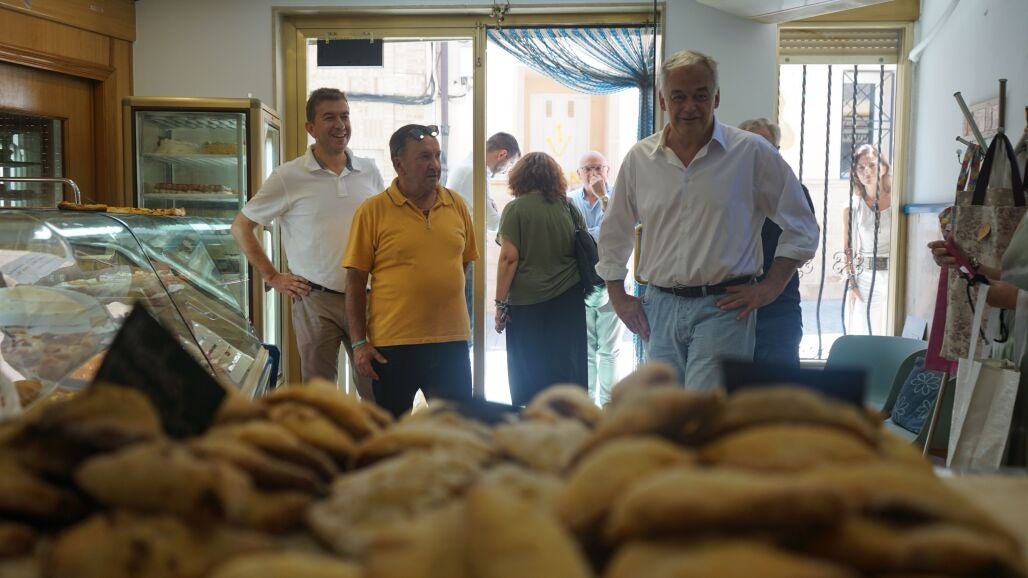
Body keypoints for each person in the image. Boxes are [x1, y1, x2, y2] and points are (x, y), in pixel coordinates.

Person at [596, 50, 819, 390]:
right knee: (668, 410)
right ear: (663, 101)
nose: (690, 107)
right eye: (679, 97)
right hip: (659, 307)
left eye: (700, 96)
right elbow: (615, 231)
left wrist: (772, 286)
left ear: (716, 98)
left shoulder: (751, 153)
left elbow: (802, 225)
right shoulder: (640, 159)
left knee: (704, 412)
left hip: (725, 307)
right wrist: (618, 296)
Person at [231, 87, 384, 397]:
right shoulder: (288, 176)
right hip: (315, 301)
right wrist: (273, 277)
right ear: (310, 128)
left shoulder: (369, 171)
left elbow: (384, 227)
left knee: (377, 390)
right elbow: (241, 227)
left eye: (344, 116)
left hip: (369, 298)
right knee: (320, 395)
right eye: (329, 118)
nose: (340, 125)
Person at [343, 124, 477, 417]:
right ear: (398, 163)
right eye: (424, 157)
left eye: (437, 156)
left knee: (456, 429)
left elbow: (463, 263)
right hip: (392, 346)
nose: (435, 165)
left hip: (450, 343)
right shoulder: (372, 211)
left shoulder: (457, 205)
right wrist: (359, 343)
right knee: (390, 431)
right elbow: (355, 282)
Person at [494, 152, 588, 406]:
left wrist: (500, 304)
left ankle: (535, 422)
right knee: (567, 369)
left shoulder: (515, 209)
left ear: (519, 178)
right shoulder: (568, 206)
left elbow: (509, 259)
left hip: (527, 305)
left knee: (529, 373)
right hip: (568, 300)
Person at [738, 118, 816, 366]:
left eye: (765, 146)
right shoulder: (724, 193)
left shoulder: (795, 192)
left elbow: (804, 243)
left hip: (778, 307)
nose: (758, 154)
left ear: (777, 151)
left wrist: (770, 286)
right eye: (751, 146)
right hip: (732, 307)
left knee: (778, 383)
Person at [446, 132, 521, 342]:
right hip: (464, 253)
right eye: (509, 164)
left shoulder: (468, 167)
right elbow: (493, 221)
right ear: (502, 154)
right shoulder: (475, 172)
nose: (506, 170)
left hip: (461, 249)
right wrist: (498, 213)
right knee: (468, 318)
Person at [568, 151, 622, 405]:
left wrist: (603, 198)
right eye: (588, 168)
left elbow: (620, 230)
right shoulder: (569, 201)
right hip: (581, 283)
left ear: (607, 170)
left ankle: (609, 407)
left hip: (614, 282)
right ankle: (587, 406)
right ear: (578, 173)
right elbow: (569, 237)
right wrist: (594, 235)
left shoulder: (618, 197)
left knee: (610, 350)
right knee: (586, 349)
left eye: (598, 168)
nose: (593, 174)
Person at [843, 144, 892, 336]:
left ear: (883, 168)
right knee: (865, 330)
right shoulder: (852, 206)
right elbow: (847, 247)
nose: (866, 171)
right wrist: (852, 282)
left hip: (894, 274)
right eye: (861, 167)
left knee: (891, 330)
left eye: (872, 165)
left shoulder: (897, 199)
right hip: (865, 277)